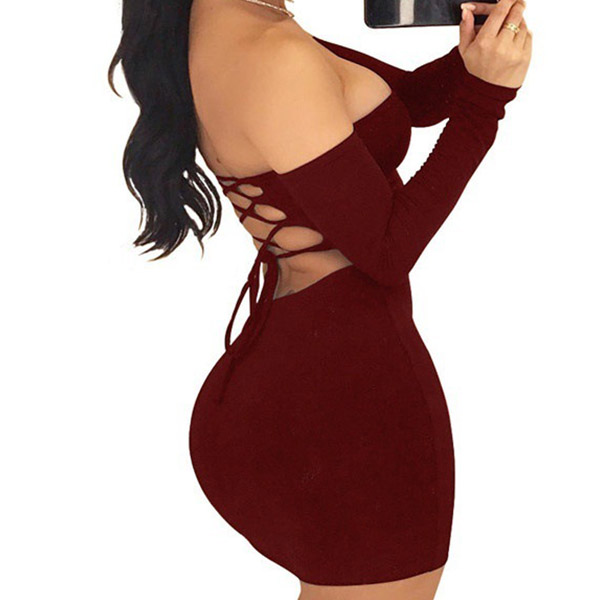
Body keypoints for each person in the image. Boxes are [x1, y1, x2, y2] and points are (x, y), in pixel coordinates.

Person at [109, 1, 531, 598]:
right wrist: (486, 102)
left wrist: (484, 45)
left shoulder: (231, 22)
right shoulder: (273, 54)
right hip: (344, 404)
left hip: (292, 385)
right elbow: (386, 251)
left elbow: (408, 101)